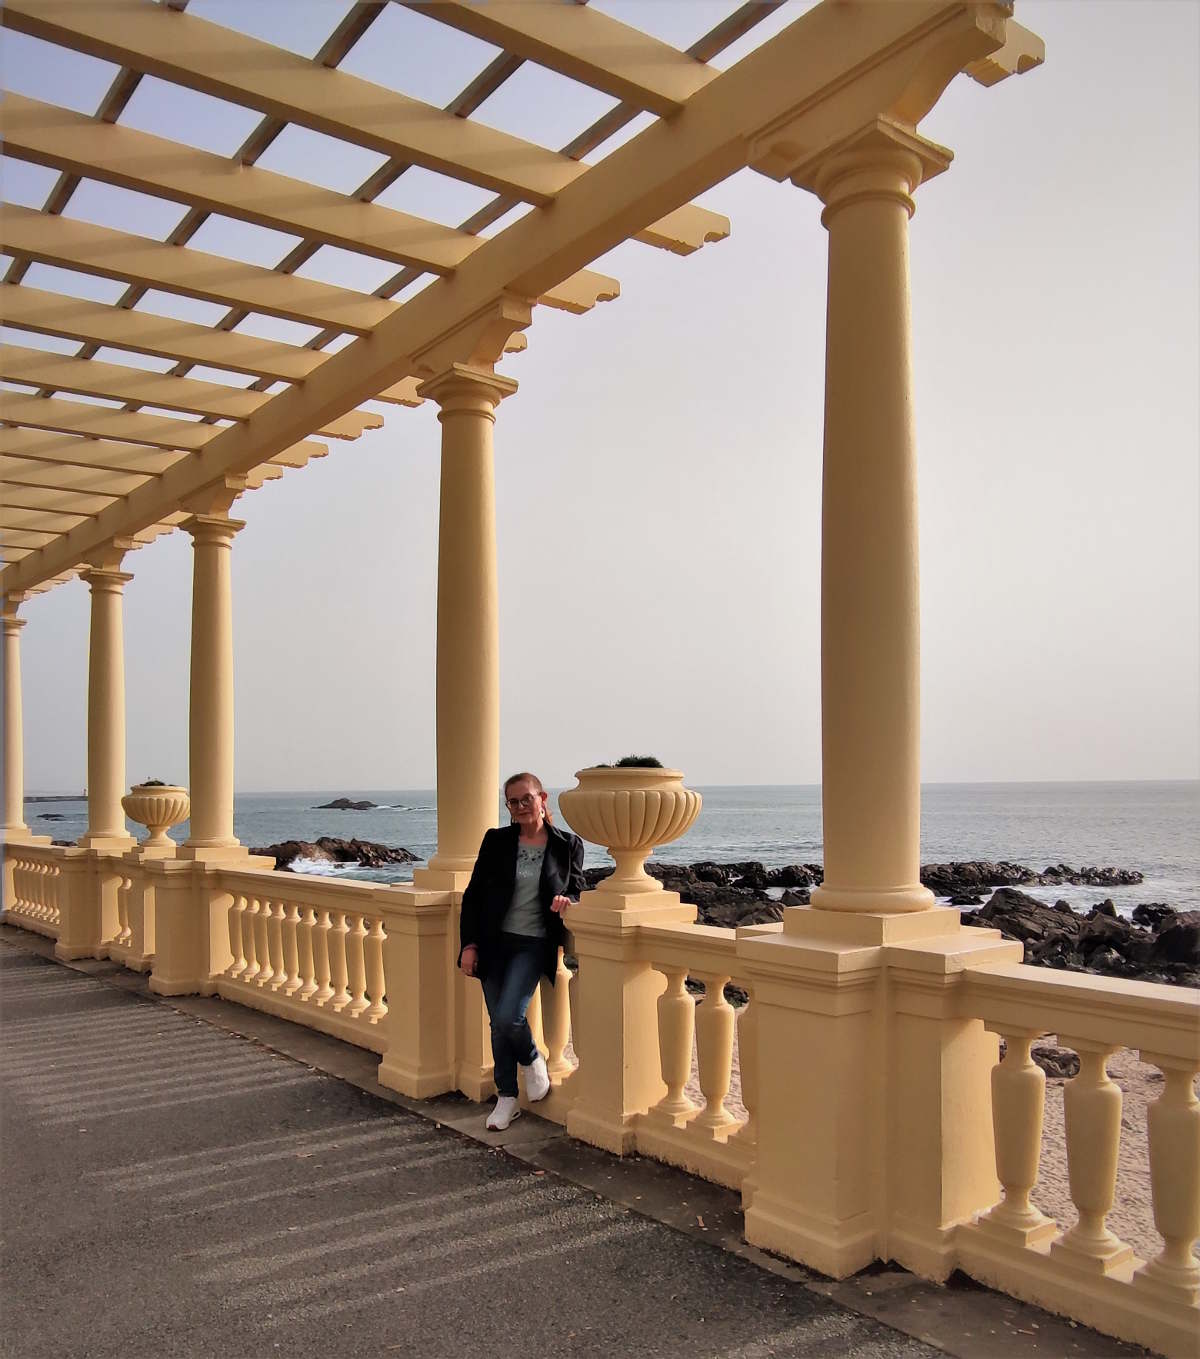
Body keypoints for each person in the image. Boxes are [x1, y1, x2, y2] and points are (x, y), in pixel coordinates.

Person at [458, 772, 586, 1131]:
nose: (520, 807)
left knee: (507, 1017)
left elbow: (578, 886)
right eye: (512, 802)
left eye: (526, 798)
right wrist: (469, 944)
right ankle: (507, 1098)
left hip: (533, 943)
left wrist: (569, 899)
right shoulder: (496, 841)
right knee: (497, 1024)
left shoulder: (567, 844)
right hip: (493, 942)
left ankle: (532, 1060)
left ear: (542, 797)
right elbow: (473, 896)